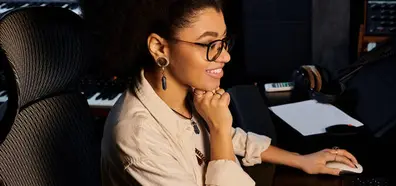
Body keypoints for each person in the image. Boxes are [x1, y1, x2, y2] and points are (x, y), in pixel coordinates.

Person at [91, 0, 359, 185]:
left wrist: (302, 160)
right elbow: (221, 135)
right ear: (160, 48)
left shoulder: (181, 93)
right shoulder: (137, 140)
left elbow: (233, 139)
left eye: (224, 42)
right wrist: (219, 127)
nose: (226, 56)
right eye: (209, 44)